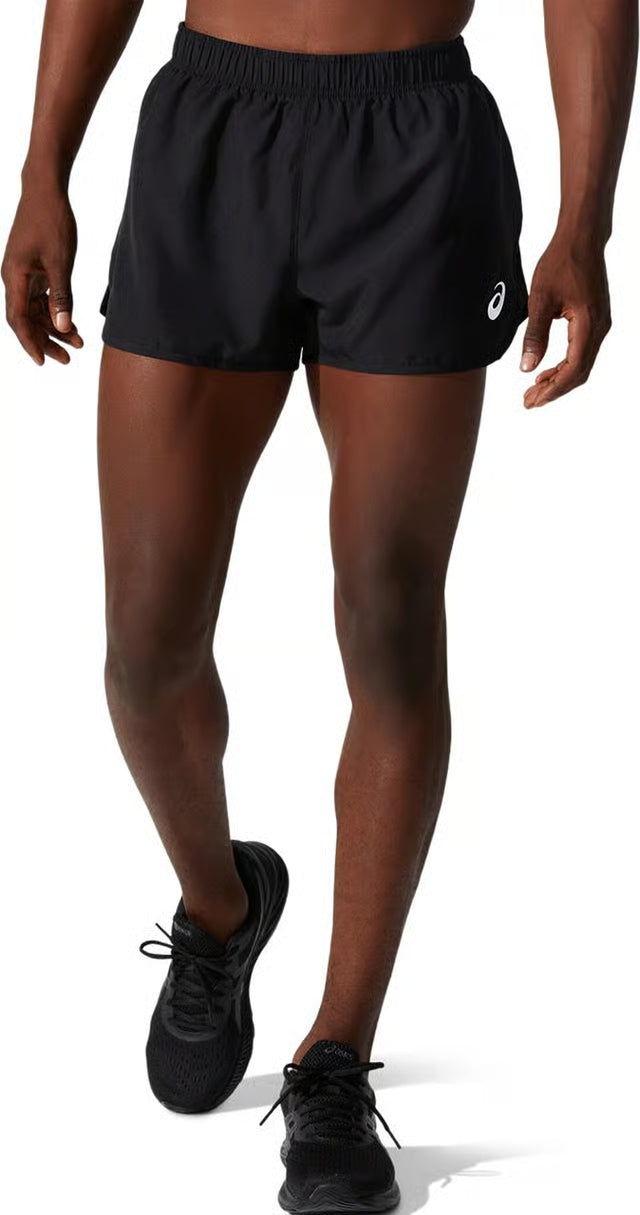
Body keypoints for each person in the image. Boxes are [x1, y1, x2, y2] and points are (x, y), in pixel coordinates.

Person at [3, 1, 637, 1211]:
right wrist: (44, 169)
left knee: (390, 616)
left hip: (413, 148)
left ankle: (335, 1056)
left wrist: (585, 216)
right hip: (210, 135)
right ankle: (220, 902)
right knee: (145, 647)